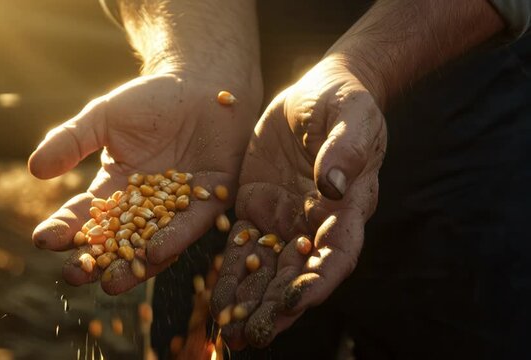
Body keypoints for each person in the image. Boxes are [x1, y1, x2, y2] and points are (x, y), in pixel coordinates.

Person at [29, 0, 531, 358]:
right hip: (235, 156)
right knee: (228, 329)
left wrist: (364, 64)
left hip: (462, 135)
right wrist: (196, 60)